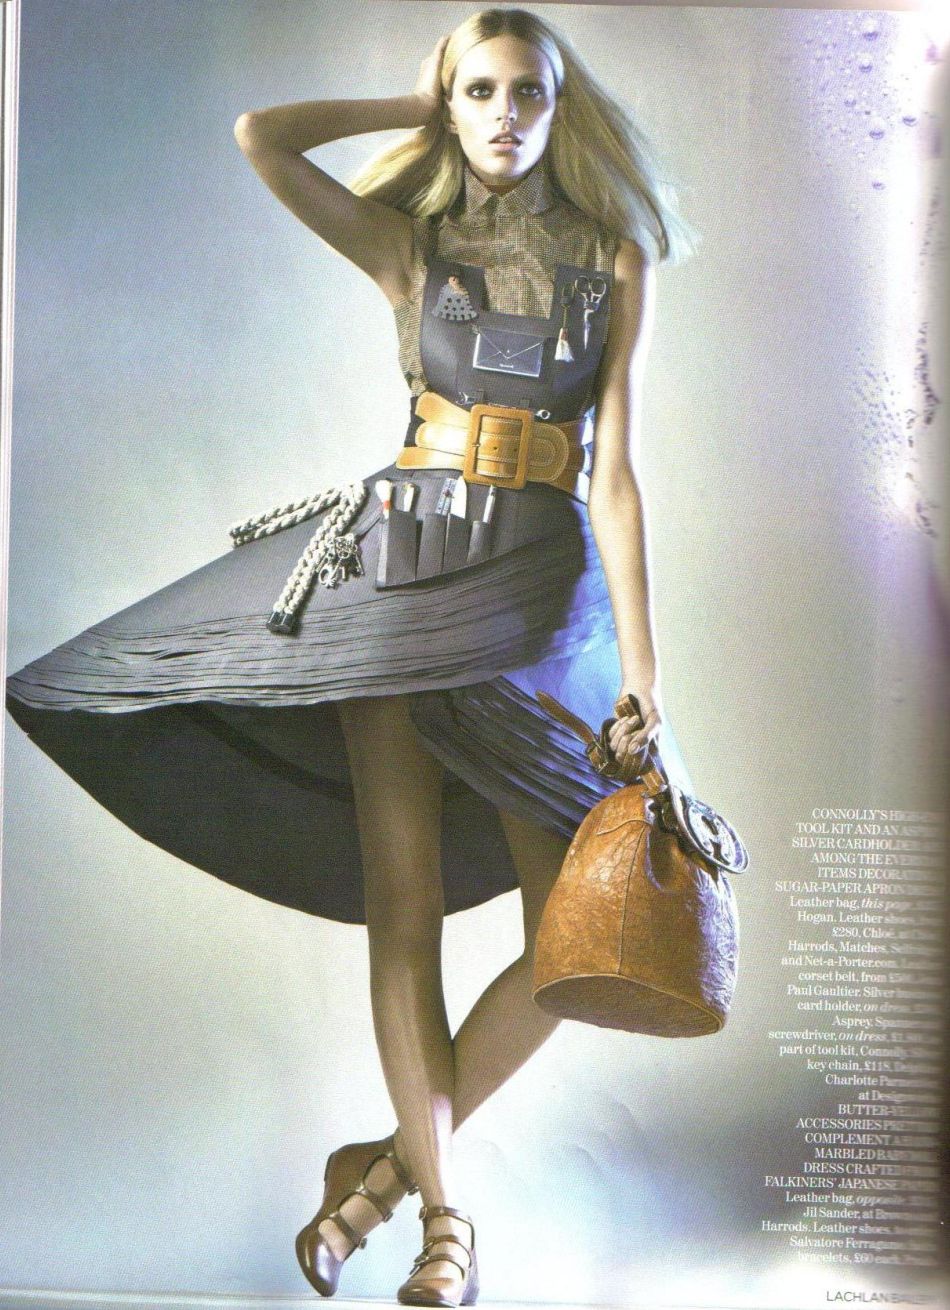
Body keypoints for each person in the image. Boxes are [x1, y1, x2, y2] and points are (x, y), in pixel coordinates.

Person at [6, 8, 699, 1306]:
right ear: (452, 100)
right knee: (404, 909)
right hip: (404, 568)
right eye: (477, 91)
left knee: (575, 937)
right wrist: (409, 106)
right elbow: (261, 138)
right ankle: (444, 1225)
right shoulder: (409, 247)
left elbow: (617, 474)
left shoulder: (615, 255)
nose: (503, 115)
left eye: (526, 92)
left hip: (538, 593)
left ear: (559, 106)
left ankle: (374, 1178)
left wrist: (643, 675)